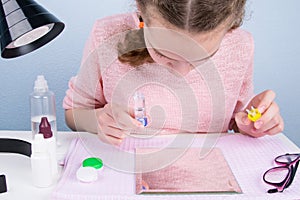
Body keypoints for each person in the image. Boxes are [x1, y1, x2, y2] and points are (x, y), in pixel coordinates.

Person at [63, 0, 284, 146]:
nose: (181, 72)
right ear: (141, 11)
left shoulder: (240, 45)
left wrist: (250, 124)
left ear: (229, 28)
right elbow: (74, 115)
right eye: (163, 54)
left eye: (203, 57)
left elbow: (235, 123)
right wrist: (99, 120)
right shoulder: (107, 34)